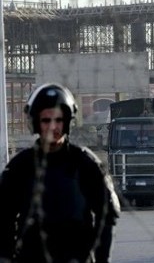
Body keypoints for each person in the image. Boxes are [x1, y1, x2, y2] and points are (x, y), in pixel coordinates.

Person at [0, 83, 120, 263]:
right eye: (46, 120)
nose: (53, 127)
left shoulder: (86, 163)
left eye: (58, 120)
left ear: (67, 121)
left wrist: (101, 257)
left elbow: (108, 214)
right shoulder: (20, 167)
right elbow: (3, 218)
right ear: (35, 122)